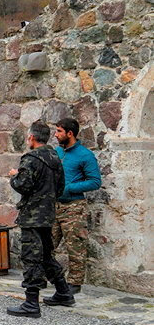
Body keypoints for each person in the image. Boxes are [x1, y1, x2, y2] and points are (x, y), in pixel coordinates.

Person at [6, 121, 74, 317]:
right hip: (48, 215)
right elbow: (60, 187)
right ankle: (63, 292)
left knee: (31, 257)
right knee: (45, 255)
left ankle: (31, 303)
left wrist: (14, 176)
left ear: (32, 138)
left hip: (32, 216)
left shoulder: (31, 159)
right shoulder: (55, 156)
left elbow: (23, 185)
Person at [51, 117, 102, 296]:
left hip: (74, 207)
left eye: (59, 131)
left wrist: (69, 188)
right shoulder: (57, 152)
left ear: (70, 134)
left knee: (76, 247)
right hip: (53, 206)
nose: (55, 135)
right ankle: (48, 277)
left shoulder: (85, 155)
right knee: (47, 244)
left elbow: (95, 182)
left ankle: (74, 282)